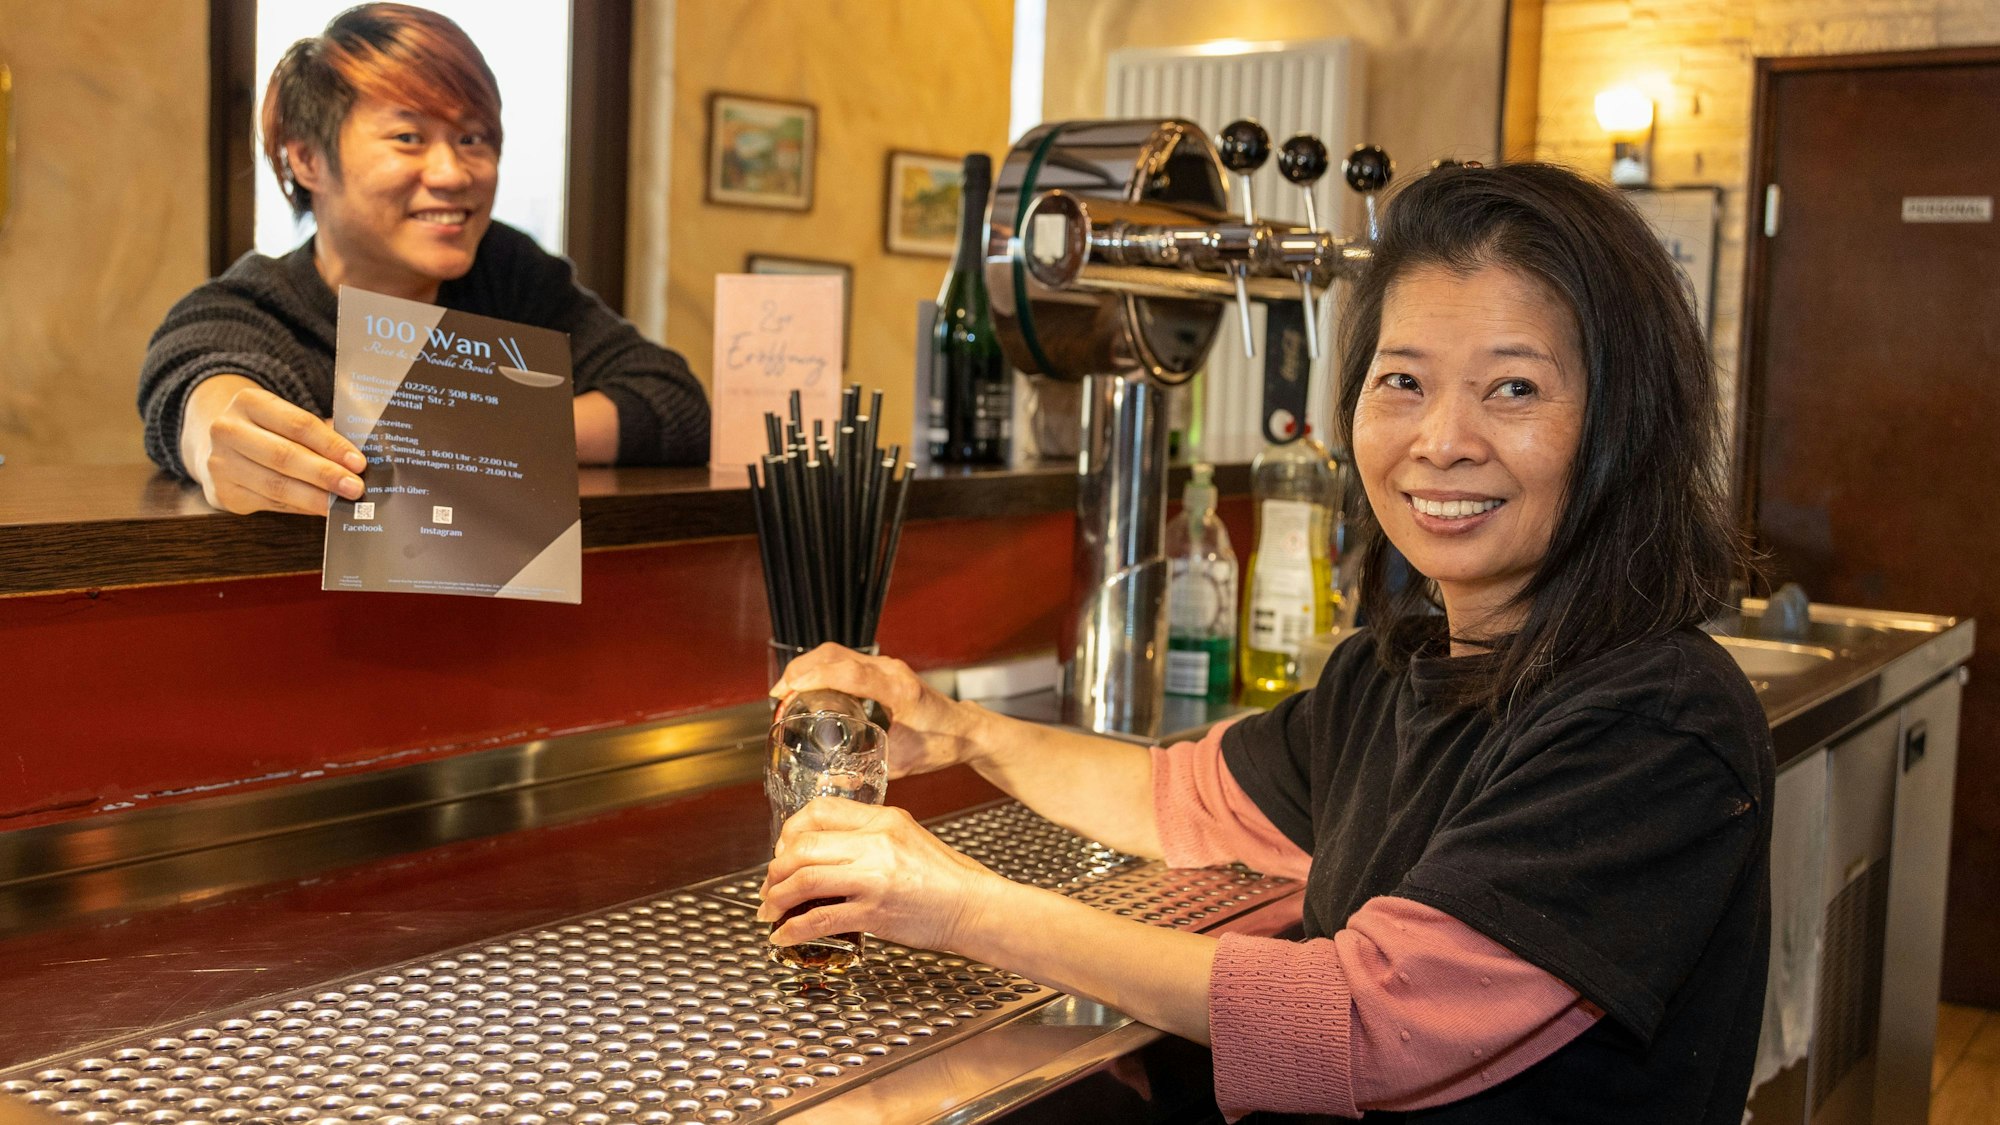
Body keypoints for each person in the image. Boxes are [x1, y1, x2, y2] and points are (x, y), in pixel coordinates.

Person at [763, 162, 1772, 1122]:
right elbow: (1183, 801)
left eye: (1513, 388)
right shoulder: (1396, 671)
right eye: (1402, 381)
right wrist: (959, 730)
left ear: (1622, 424)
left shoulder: (1655, 721)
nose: (1440, 441)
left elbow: (1360, 1019)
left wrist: (959, 908)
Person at [137, 4, 709, 516]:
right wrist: (215, 439)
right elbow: (202, 389)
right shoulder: (260, 306)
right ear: (308, 160)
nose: (453, 175)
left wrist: (455, 437)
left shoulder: (507, 274)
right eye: (409, 137)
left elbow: (673, 402)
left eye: (473, 139)